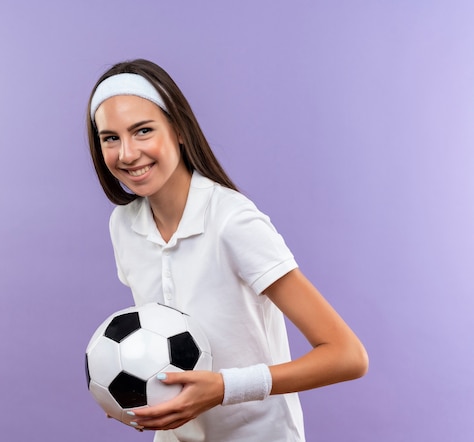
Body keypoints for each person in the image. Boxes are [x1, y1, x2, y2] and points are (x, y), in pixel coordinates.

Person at [86, 59, 368, 442]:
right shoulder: (123, 225)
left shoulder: (232, 221)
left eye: (143, 131)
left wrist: (223, 388)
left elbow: (347, 355)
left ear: (179, 130)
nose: (128, 153)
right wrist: (120, 392)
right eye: (110, 138)